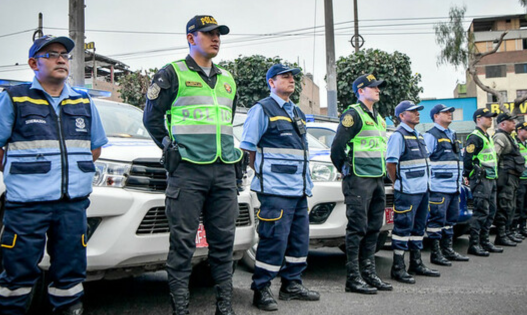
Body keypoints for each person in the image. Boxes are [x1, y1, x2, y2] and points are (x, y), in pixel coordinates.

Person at [0, 35, 108, 315]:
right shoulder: (14, 99)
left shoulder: (83, 101)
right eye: (51, 54)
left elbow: (94, 149)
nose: (61, 59)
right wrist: (24, 174)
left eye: (64, 55)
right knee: (17, 276)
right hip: (27, 206)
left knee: (70, 277)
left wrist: (67, 172)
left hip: (72, 205)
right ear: (33, 63)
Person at [142, 15, 242, 315]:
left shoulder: (227, 79)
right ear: (190, 38)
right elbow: (151, 118)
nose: (216, 38)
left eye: (218, 34)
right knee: (183, 244)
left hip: (224, 169)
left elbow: (227, 120)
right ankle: (180, 309)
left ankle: (225, 308)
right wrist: (168, 146)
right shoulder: (171, 74)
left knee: (224, 244)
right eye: (208, 33)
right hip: (187, 170)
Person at [240, 64, 320, 311]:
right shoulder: (262, 109)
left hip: (298, 189)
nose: (291, 80)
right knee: (273, 240)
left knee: (299, 240)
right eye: (284, 77)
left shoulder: (296, 111)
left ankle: (291, 285)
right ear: (271, 82)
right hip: (275, 189)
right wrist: (263, 175)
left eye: (292, 77)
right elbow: (248, 148)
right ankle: (261, 289)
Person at [330, 74, 393, 294]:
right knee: (357, 229)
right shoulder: (352, 114)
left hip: (377, 178)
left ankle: (369, 273)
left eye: (378, 87)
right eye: (373, 87)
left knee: (374, 227)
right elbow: (337, 148)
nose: (378, 90)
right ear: (360, 91)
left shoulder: (379, 117)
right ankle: (353, 278)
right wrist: (346, 171)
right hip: (358, 179)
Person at [386, 100, 439, 284]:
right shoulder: (398, 136)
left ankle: (415, 263)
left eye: (418, 111)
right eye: (413, 111)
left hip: (423, 190)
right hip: (407, 191)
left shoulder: (419, 135)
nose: (417, 113)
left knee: (418, 228)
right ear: (402, 116)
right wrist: (397, 183)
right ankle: (398, 267)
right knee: (402, 228)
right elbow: (391, 164)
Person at [423, 104, 469, 266]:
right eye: (446, 112)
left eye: (451, 112)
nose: (450, 114)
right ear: (436, 116)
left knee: (450, 220)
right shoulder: (431, 135)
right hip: (438, 187)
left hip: (454, 187)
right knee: (437, 221)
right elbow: (424, 161)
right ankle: (436, 253)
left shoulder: (452, 134)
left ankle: (448, 250)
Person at [463, 108, 502, 257]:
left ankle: (484, 241)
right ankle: (474, 244)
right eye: (487, 117)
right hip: (481, 180)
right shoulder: (475, 137)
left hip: (491, 179)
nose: (490, 119)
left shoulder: (487, 136)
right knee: (480, 212)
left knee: (491, 211)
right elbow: (468, 160)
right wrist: (471, 175)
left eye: (491, 117)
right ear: (478, 119)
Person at [492, 113, 525, 246]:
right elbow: (495, 156)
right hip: (505, 178)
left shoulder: (509, 137)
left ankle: (507, 232)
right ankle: (501, 235)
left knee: (511, 206)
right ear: (502, 124)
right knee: (505, 206)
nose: (514, 123)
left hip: (512, 178)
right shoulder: (500, 136)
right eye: (511, 121)